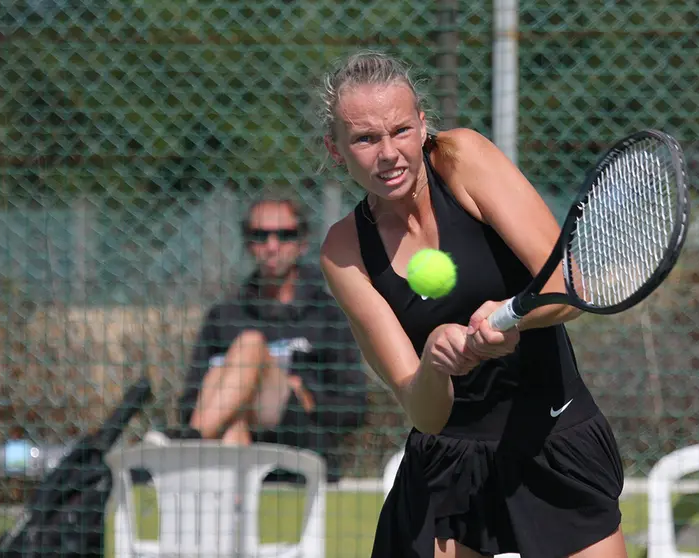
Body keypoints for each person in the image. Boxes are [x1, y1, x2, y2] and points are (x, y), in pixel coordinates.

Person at [318, 51, 627, 558]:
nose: (389, 153)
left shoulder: (463, 158)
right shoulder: (343, 251)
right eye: (365, 139)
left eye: (400, 130)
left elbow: (569, 289)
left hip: (551, 433)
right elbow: (425, 412)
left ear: (423, 125)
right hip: (450, 463)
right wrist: (436, 361)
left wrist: (512, 317)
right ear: (337, 149)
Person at [176, 195, 368, 481]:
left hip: (300, 441)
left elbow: (355, 408)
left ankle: (183, 449)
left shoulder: (327, 315)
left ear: (302, 243)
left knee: (250, 344)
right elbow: (189, 401)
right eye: (260, 235)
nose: (272, 246)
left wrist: (309, 396)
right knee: (231, 414)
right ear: (248, 243)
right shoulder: (223, 316)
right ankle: (234, 514)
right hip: (237, 437)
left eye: (285, 235)